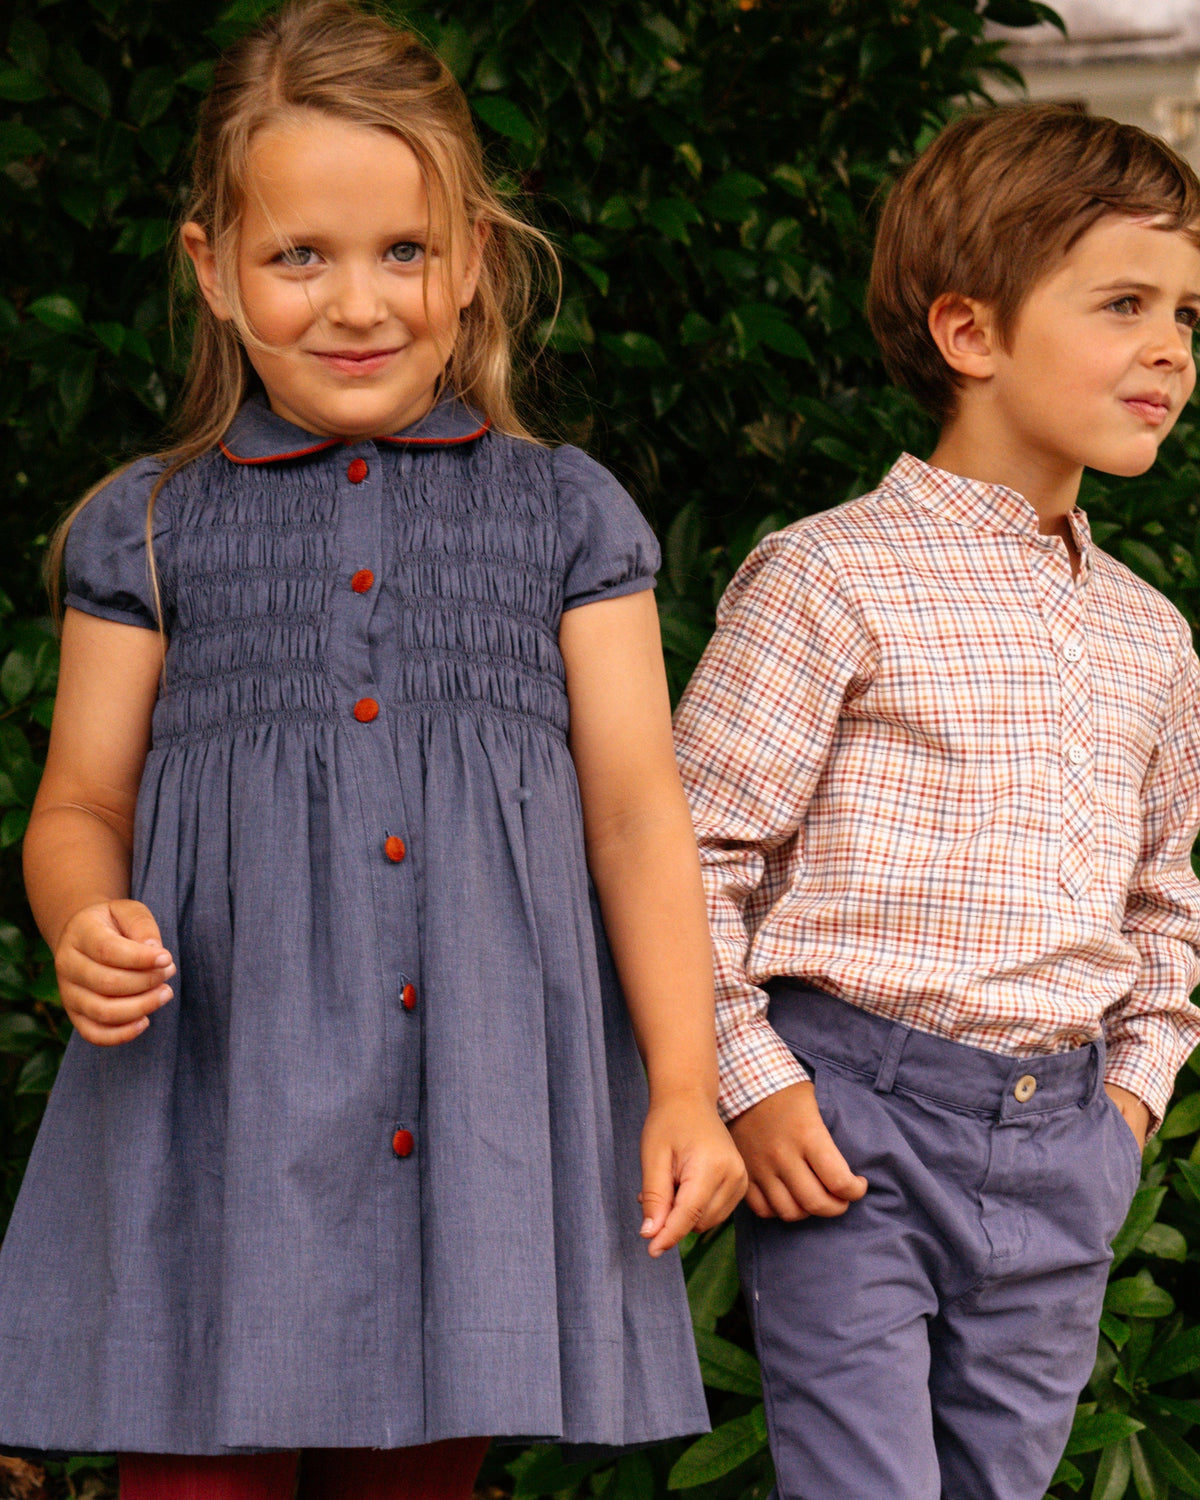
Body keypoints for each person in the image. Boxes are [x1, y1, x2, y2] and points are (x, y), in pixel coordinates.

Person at [0, 3, 746, 1495]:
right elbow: (80, 797)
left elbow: (636, 817)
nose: (358, 302)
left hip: (471, 1103)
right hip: (219, 1090)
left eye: (403, 251)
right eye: (301, 256)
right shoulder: (148, 524)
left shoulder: (564, 514)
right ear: (213, 270)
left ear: (471, 259)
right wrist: (81, 912)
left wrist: (683, 1076)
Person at [673, 103, 1200, 1500]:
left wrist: (1129, 1111)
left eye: (1188, 315)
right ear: (971, 334)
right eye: (1125, 305)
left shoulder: (1155, 635)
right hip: (855, 1127)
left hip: (1064, 1142)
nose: (1171, 348)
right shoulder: (827, 578)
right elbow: (693, 854)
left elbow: (1167, 897)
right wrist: (757, 1083)